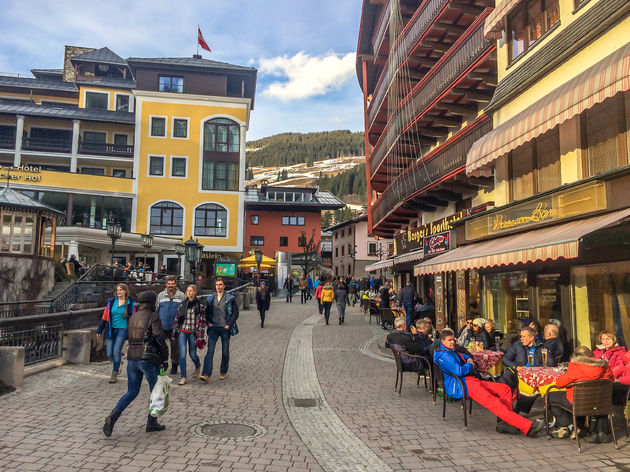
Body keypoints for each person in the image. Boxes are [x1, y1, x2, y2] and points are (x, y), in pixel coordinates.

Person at [434, 329, 545, 438]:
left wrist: (468, 360)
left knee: (504, 389)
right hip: (462, 385)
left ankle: (504, 423)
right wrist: (469, 365)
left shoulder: (450, 350)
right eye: (449, 340)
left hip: (471, 380)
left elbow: (466, 356)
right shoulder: (444, 356)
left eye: (453, 339)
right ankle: (528, 427)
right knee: (494, 402)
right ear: (442, 341)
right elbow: (459, 371)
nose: (452, 342)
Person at [102, 290, 168, 437]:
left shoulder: (132, 317)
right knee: (156, 391)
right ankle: (152, 422)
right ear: (152, 302)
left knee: (132, 391)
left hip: (132, 357)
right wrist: (165, 357)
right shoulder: (153, 316)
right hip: (148, 357)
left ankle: (113, 416)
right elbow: (159, 337)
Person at [548, 346, 615, 442]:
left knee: (551, 396)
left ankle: (566, 425)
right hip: (600, 402)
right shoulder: (603, 365)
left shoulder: (575, 365)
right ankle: (577, 427)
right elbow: (611, 379)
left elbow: (560, 383)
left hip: (579, 402)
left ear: (575, 356)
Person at [201, 278, 239, 382]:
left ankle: (223, 372)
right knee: (210, 351)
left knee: (225, 351)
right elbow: (206, 311)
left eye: (220, 285)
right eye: (217, 285)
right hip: (213, 328)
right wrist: (208, 321)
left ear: (224, 286)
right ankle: (206, 374)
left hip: (224, 328)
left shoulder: (230, 298)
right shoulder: (210, 298)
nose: (219, 286)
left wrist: (229, 324)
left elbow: (235, 313)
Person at [96, 283, 135, 383]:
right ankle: (119, 363)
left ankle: (114, 373)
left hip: (123, 330)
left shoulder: (130, 303)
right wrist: (99, 330)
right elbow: (105, 317)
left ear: (125, 291)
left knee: (116, 351)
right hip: (111, 329)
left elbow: (134, 318)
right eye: (117, 290)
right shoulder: (111, 302)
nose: (119, 292)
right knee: (109, 353)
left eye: (121, 290)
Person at [173, 284, 205, 385]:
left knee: (192, 354)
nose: (189, 292)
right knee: (182, 354)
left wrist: (200, 335)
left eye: (191, 291)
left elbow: (202, 322)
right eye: (187, 291)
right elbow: (177, 318)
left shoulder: (200, 306)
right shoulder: (182, 304)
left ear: (195, 292)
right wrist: (174, 330)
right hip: (183, 331)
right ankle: (183, 377)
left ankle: (198, 365)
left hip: (193, 332)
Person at [156, 276, 185, 374]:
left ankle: (174, 365)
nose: (170, 285)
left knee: (175, 347)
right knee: (160, 346)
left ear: (176, 284)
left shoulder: (181, 296)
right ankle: (162, 364)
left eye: (172, 283)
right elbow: (157, 310)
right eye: (169, 283)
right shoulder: (160, 295)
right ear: (165, 284)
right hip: (162, 325)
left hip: (175, 326)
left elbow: (184, 311)